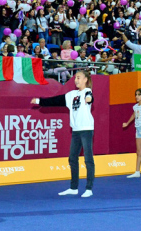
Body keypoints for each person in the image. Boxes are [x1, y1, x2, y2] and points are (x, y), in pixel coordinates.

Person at [31, 70, 95, 198]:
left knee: (88, 159)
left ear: (85, 80)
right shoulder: (71, 95)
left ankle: (89, 188)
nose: (76, 80)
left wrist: (89, 99)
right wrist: (39, 101)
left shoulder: (87, 91)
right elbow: (55, 100)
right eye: (75, 78)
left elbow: (90, 97)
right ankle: (73, 187)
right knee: (72, 158)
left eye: (78, 77)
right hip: (76, 130)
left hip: (86, 128)